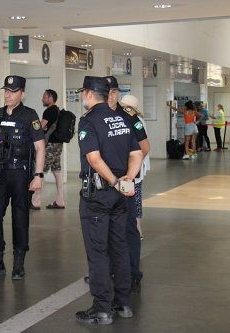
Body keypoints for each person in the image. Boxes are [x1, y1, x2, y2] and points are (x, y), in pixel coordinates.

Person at [76, 76, 143, 325]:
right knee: (119, 246)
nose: (83, 96)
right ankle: (123, 303)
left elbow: (93, 159)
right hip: (120, 196)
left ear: (90, 93)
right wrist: (128, 179)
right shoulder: (123, 119)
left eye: (83, 92)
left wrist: (115, 181)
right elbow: (137, 152)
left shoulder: (90, 121)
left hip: (99, 195)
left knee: (98, 252)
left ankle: (102, 308)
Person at [0, 75, 45, 280]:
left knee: (20, 216)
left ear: (22, 93)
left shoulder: (29, 115)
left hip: (20, 172)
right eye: (6, 91)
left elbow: (40, 147)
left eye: (13, 91)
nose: (8, 94)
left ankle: (18, 261)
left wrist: (38, 175)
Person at [106, 77, 150, 294]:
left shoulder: (130, 117)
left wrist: (129, 174)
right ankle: (107, 271)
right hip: (104, 183)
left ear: (118, 94)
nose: (110, 95)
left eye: (114, 92)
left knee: (128, 228)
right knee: (104, 230)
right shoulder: (97, 117)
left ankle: (133, 273)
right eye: (107, 92)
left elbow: (144, 147)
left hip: (125, 183)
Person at [119, 95, 151, 240]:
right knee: (134, 197)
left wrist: (132, 167)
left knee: (134, 197)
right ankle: (135, 230)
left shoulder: (135, 121)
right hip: (135, 167)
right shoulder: (136, 120)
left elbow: (143, 148)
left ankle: (137, 230)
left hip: (134, 168)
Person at [30, 89, 65, 210]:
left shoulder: (49, 111)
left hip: (49, 145)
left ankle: (36, 201)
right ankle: (60, 200)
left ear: (51, 98)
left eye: (44, 96)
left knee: (41, 171)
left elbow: (40, 126)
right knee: (57, 171)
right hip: (58, 145)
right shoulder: (58, 110)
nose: (42, 99)